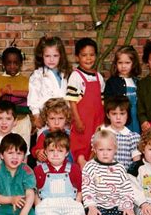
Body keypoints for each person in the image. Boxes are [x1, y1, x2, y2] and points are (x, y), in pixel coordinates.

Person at [66, 37, 105, 169]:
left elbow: (102, 100)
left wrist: (102, 122)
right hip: (82, 121)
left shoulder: (98, 76)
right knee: (81, 149)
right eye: (84, 55)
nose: (88, 58)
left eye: (91, 55)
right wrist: (77, 120)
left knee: (94, 148)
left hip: (97, 120)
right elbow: (72, 101)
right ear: (77, 57)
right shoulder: (76, 76)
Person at [0, 45, 31, 147]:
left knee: (22, 149)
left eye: (16, 63)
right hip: (3, 125)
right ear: (3, 64)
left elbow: (32, 104)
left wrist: (33, 122)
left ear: (20, 64)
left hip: (23, 123)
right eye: (9, 63)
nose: (12, 66)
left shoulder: (26, 82)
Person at [28, 36, 71, 130]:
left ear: (61, 56)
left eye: (55, 56)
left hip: (63, 120)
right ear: (41, 56)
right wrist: (36, 116)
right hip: (46, 120)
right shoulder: (38, 75)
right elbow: (33, 98)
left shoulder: (66, 73)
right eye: (47, 56)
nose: (51, 60)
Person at [95, 95, 141, 170]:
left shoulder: (132, 137)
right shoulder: (101, 132)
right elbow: (94, 157)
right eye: (114, 114)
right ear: (108, 115)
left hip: (124, 177)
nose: (118, 118)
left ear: (127, 115)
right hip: (103, 175)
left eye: (122, 113)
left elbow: (137, 164)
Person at [105, 45, 142, 134]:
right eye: (120, 63)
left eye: (127, 63)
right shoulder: (112, 82)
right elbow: (108, 102)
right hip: (120, 118)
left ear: (133, 63)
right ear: (116, 64)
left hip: (135, 118)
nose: (123, 66)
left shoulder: (137, 81)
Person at [31, 97, 72, 164]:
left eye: (61, 118)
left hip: (67, 171)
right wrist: (38, 153)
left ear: (66, 119)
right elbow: (35, 149)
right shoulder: (44, 135)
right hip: (48, 170)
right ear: (46, 120)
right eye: (52, 118)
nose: (56, 123)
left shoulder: (70, 135)